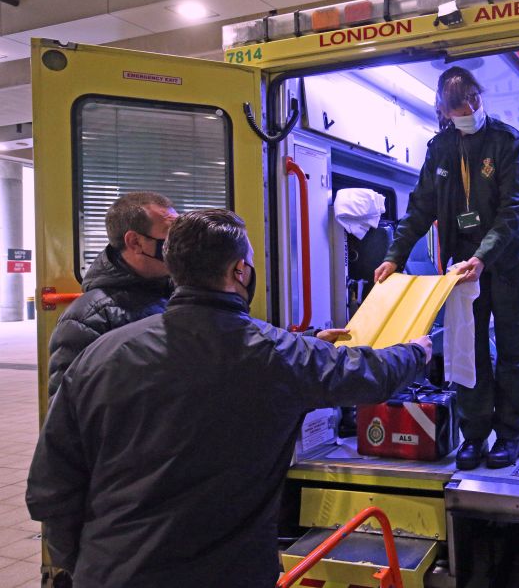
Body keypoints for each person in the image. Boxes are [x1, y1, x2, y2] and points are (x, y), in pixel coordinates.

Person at [26, 209, 432, 588]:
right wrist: (419, 350)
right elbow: (368, 375)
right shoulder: (276, 356)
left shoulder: (104, 353)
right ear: (239, 271)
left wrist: (81, 564)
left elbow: (51, 484)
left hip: (112, 571)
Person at [373, 66, 519, 470]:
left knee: (513, 355)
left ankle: (509, 437)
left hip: (509, 263)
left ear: (478, 99)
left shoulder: (508, 143)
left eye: (470, 106)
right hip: (463, 268)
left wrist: (484, 256)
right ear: (445, 112)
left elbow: (513, 209)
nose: (465, 115)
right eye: (455, 112)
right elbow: (419, 208)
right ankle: (474, 436)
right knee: (467, 352)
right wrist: (394, 255)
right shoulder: (441, 149)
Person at [47, 191, 178, 397]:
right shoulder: (88, 319)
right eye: (171, 235)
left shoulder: (180, 294)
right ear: (135, 242)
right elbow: (67, 408)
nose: (180, 244)